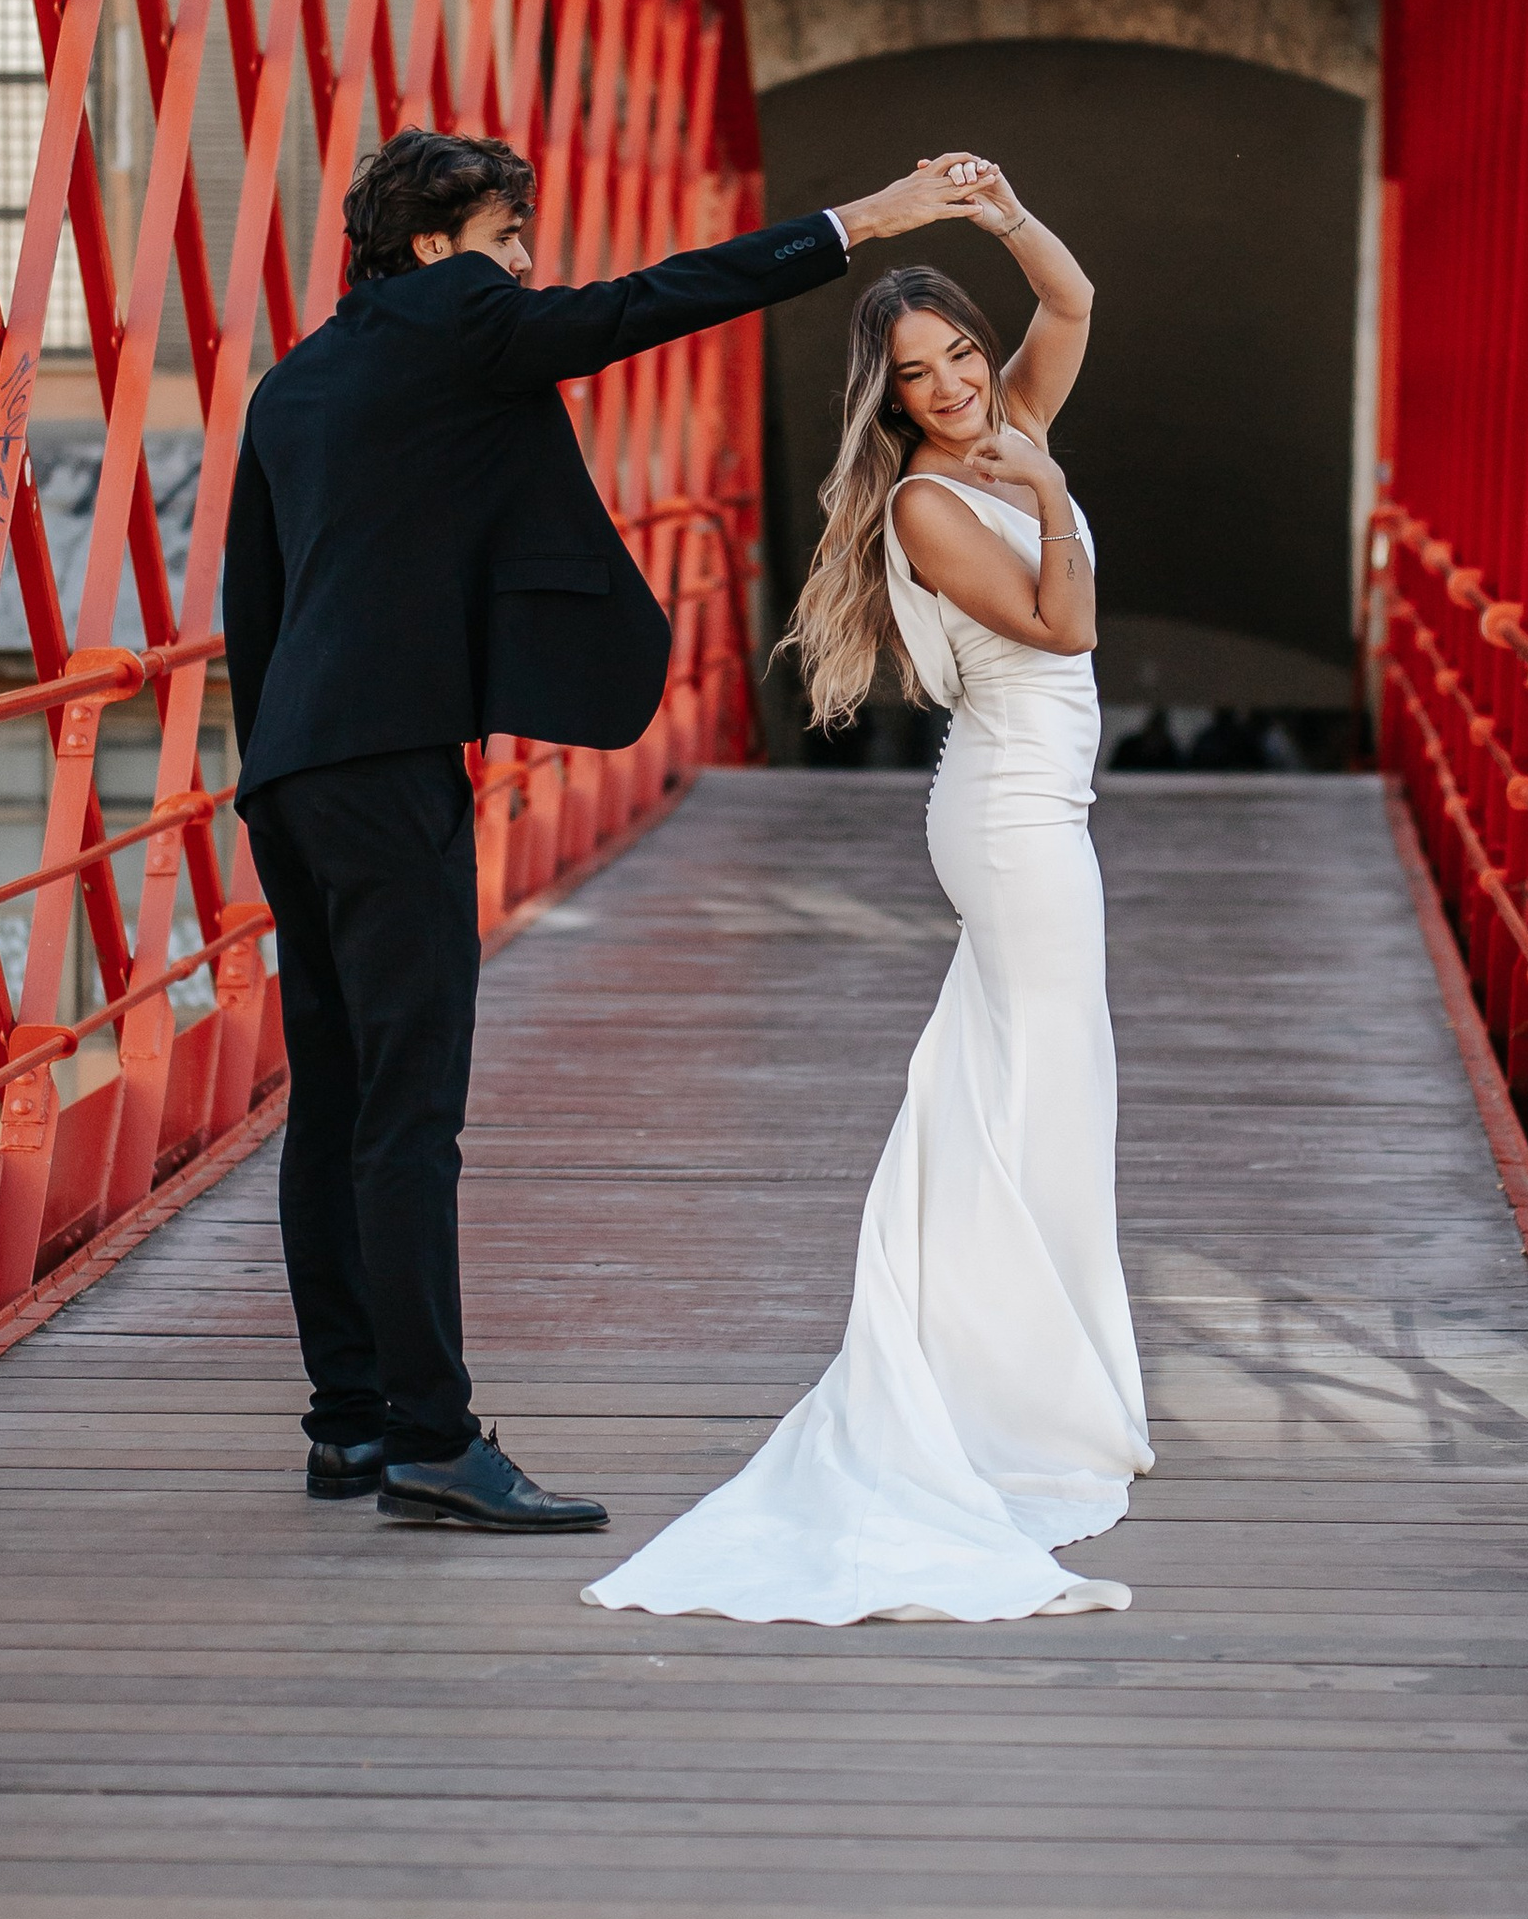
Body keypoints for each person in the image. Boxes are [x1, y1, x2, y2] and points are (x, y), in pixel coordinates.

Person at [223, 126, 988, 1539]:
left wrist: (275, 764)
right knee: (410, 1114)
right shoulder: (455, 316)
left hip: (291, 770)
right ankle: (436, 1441)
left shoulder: (298, 380)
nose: (527, 266)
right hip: (388, 766)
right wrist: (862, 219)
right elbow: (649, 304)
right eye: (508, 239)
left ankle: (348, 1425)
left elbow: (253, 609)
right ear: (437, 248)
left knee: (333, 1101)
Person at [586, 160, 1150, 1625]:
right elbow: (1066, 629)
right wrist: (1060, 492)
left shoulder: (1013, 428)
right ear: (888, 398)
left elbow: (1076, 299)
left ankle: (1024, 1367)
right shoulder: (926, 508)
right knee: (1040, 1083)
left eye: (965, 353)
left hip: (1042, 810)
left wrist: (1005, 212)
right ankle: (998, 1391)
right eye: (924, 374)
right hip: (1013, 814)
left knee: (1032, 1084)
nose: (959, 385)